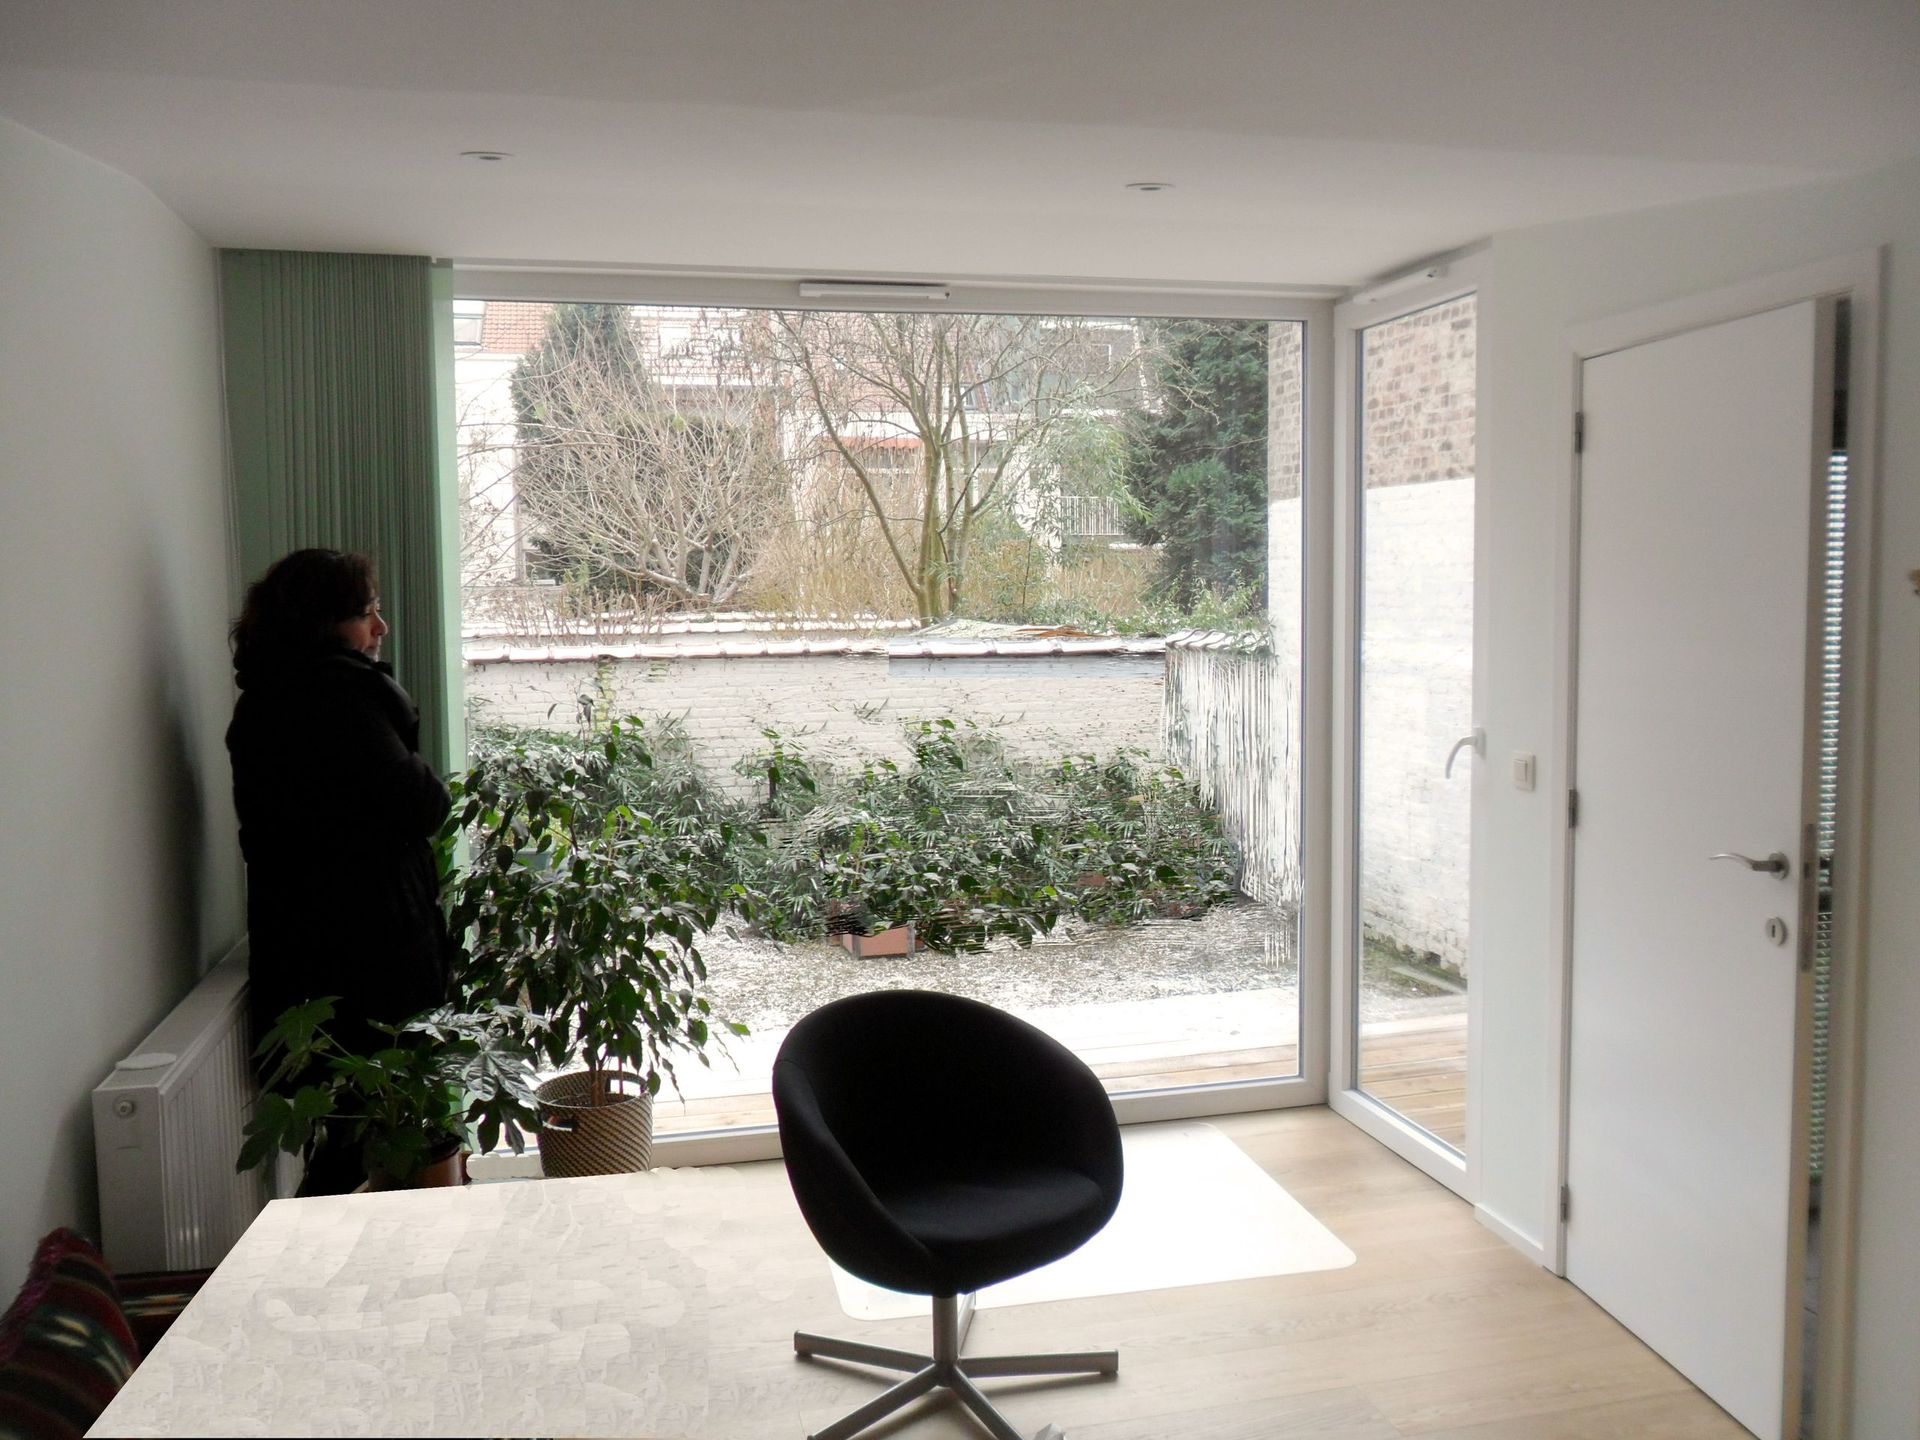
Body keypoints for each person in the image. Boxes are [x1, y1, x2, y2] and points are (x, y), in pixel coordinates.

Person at [226, 548, 454, 1193]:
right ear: (322, 624)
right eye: (367, 613)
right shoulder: (337, 695)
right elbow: (422, 802)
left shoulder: (269, 697)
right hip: (367, 951)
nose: (379, 628)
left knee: (347, 1136)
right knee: (386, 1123)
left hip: (310, 945)